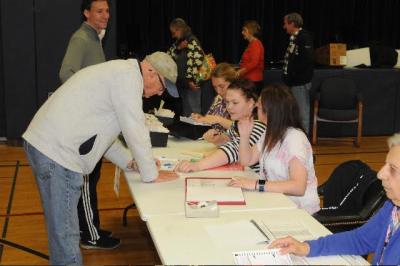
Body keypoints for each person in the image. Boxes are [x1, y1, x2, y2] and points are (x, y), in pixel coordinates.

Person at [23, 51, 179, 265]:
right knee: (66, 236)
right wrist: (150, 173)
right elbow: (136, 129)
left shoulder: (119, 73)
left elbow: (103, 137)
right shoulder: (128, 77)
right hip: (58, 154)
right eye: (161, 86)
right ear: (150, 71)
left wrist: (128, 162)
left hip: (48, 147)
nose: (158, 93)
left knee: (61, 233)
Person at [270, 134, 400, 265]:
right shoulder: (393, 209)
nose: (381, 174)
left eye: (393, 169)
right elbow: (360, 240)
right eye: (385, 164)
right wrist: (307, 247)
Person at [59, 0, 118, 250]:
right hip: (83, 125)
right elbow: (66, 73)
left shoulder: (95, 38)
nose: (105, 15)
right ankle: (90, 236)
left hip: (91, 123)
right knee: (85, 180)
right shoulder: (82, 39)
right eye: (99, 11)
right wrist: (88, 102)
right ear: (86, 13)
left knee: (90, 180)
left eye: (107, 11)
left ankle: (91, 227)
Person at [229, 84, 320, 214]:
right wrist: (244, 136)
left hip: (300, 211)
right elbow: (246, 161)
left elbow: (298, 187)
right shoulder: (270, 133)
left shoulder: (294, 138)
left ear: (270, 111)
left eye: (259, 107)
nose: (255, 109)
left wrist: (256, 184)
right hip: (278, 202)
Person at [176, 79, 265, 173]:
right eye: (227, 102)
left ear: (251, 103)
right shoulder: (238, 123)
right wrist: (219, 139)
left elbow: (235, 149)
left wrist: (197, 166)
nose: (229, 107)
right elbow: (229, 139)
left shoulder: (258, 126)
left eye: (235, 103)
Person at [282, 12, 314, 134]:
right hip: (292, 82)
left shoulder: (304, 37)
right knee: (293, 113)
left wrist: (293, 73)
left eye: (286, 24)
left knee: (302, 112)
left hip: (300, 83)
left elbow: (307, 61)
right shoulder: (295, 37)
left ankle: (304, 140)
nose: (284, 27)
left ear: (292, 24)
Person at [168, 18, 204, 116]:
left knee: (194, 112)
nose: (173, 36)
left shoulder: (192, 41)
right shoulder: (178, 43)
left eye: (174, 32)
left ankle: (196, 131)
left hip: (191, 84)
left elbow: (196, 62)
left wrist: (191, 80)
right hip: (183, 83)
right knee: (187, 113)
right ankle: (189, 131)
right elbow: (168, 57)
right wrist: (178, 49)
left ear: (180, 29)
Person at [191, 63, 236, 143]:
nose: (218, 91)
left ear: (233, 83)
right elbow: (210, 119)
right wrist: (201, 118)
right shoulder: (218, 98)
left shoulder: (240, 101)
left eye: (221, 86)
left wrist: (218, 120)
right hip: (213, 143)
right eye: (215, 87)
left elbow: (242, 128)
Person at [237, 20, 265, 95]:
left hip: (253, 81)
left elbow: (254, 63)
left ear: (251, 31)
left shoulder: (256, 44)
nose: (242, 32)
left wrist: (240, 71)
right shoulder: (252, 44)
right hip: (249, 80)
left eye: (244, 30)